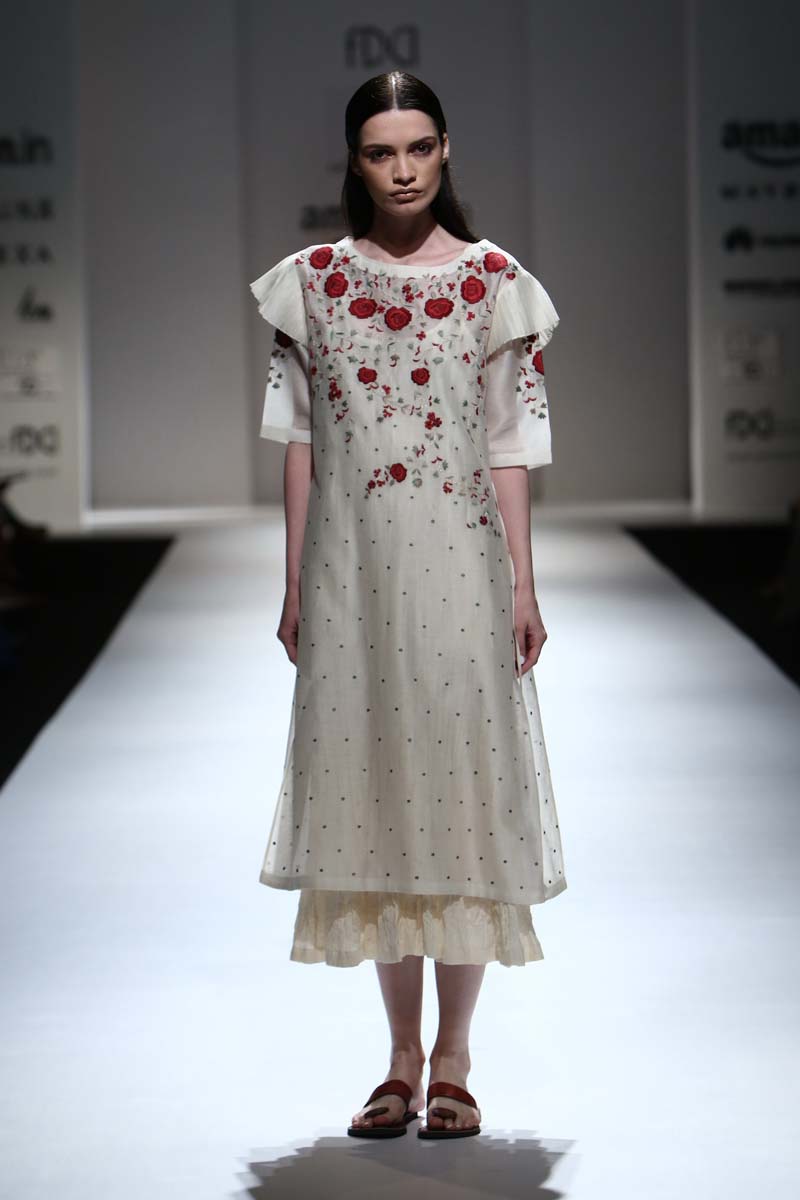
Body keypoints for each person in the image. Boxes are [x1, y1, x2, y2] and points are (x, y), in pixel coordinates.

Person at [249, 70, 567, 1141]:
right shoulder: (310, 284)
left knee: (461, 791)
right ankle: (396, 1061)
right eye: (381, 152)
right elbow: (299, 442)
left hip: (463, 566)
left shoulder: (493, 282)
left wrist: (523, 582)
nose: (401, 170)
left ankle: (455, 1060)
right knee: (379, 793)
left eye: (418, 148)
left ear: (444, 152)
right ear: (355, 160)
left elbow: (507, 446)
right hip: (354, 571)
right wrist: (295, 578)